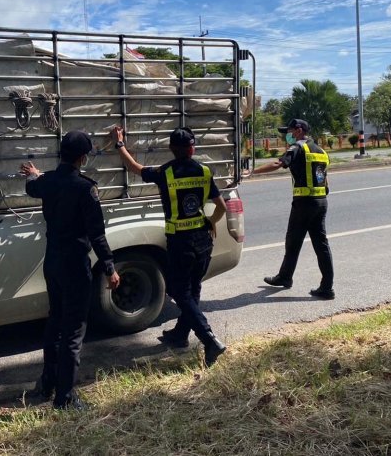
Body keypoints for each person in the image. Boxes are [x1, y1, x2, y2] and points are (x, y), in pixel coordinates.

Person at [20, 130, 120, 410]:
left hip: (52, 263)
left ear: (61, 154)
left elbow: (32, 187)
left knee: (55, 324)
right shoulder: (84, 188)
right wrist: (110, 267)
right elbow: (96, 234)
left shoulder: (48, 181)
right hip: (75, 265)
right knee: (74, 331)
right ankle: (65, 398)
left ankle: (47, 384)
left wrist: (33, 174)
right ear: (83, 157)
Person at [111, 125, 227, 367]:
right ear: (192, 148)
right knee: (193, 289)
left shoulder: (166, 172)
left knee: (178, 290)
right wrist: (209, 222)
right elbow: (221, 208)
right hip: (203, 241)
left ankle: (209, 339)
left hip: (180, 242)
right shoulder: (205, 171)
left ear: (172, 149)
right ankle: (180, 335)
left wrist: (120, 143)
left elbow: (135, 168)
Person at [250, 118, 335, 299]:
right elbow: (325, 181)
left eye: (288, 132)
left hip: (304, 203)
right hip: (320, 202)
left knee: (293, 240)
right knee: (320, 245)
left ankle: (285, 277)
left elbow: (278, 164)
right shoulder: (321, 151)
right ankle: (326, 287)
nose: (286, 136)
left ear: (298, 130)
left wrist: (251, 172)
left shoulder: (297, 147)